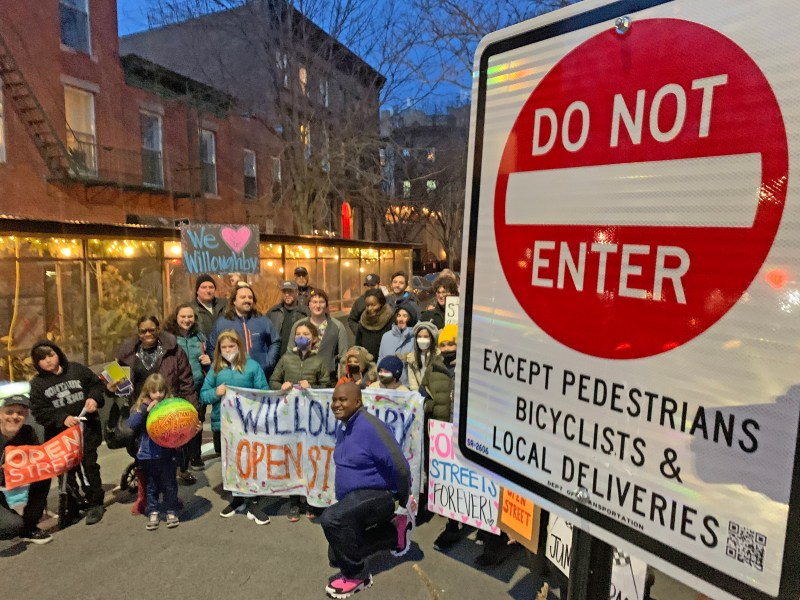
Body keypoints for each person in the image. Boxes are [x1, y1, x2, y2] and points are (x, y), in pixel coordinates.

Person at [319, 382, 415, 599]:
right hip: (355, 501)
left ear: (358, 402)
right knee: (336, 555)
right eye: (334, 399)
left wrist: (402, 500)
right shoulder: (343, 425)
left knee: (332, 519)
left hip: (380, 496)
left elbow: (400, 466)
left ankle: (358, 576)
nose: (336, 404)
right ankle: (394, 534)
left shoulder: (371, 427)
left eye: (342, 400)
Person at [115, 316, 197, 515]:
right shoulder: (127, 353)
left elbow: (186, 381)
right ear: (138, 332)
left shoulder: (174, 350)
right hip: (140, 408)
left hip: (168, 409)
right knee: (142, 455)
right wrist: (112, 387)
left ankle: (170, 496)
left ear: (158, 329)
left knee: (168, 454)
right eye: (143, 331)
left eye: (151, 330)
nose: (147, 334)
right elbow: (117, 382)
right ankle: (145, 497)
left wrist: (192, 411)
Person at [29, 341, 106, 525]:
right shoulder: (38, 384)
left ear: (58, 353)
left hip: (85, 429)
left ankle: (95, 501)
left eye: (50, 355)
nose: (47, 360)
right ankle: (72, 505)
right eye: (42, 358)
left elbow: (95, 385)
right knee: (66, 472)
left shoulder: (77, 370)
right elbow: (39, 411)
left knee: (89, 465)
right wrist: (62, 418)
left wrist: (93, 399)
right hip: (61, 436)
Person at [200, 329, 271, 524]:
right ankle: (237, 498)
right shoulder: (215, 369)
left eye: (232, 346)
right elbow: (203, 395)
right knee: (228, 463)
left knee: (248, 462)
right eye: (224, 347)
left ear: (239, 346)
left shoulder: (253, 367)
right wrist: (216, 392)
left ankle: (251, 499)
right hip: (222, 426)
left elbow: (263, 392)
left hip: (247, 425)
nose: (228, 349)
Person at [269, 321, 330, 521]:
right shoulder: (286, 358)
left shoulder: (320, 360)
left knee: (311, 458)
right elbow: (273, 381)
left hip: (312, 419)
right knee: (294, 457)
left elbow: (327, 385)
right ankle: (294, 501)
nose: (301, 336)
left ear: (313, 339)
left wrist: (312, 386)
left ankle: (312, 500)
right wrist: (282, 385)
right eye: (298, 333)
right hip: (290, 418)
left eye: (305, 333)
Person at [128, 374, 186, 530]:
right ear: (148, 392)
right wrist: (146, 410)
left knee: (170, 484)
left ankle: (171, 510)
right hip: (149, 453)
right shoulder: (142, 406)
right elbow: (132, 424)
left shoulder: (170, 405)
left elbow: (181, 424)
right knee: (152, 485)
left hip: (168, 453)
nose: (158, 395)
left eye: (161, 391)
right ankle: (153, 510)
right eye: (154, 391)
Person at [165, 303, 211, 476]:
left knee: (197, 421)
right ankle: (181, 459)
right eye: (183, 316)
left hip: (197, 385)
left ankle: (196, 456)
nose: (186, 320)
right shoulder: (168, 338)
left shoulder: (199, 337)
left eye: (190, 316)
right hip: (176, 387)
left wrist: (208, 359)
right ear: (176, 317)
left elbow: (210, 355)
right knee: (179, 424)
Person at [0, 394, 53, 544]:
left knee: (43, 475)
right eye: (9, 412)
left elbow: (37, 461)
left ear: (26, 415)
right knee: (10, 527)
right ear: (0, 414)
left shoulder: (28, 432)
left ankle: (29, 528)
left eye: (20, 413)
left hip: (11, 476)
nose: (14, 417)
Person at [208, 282, 281, 379]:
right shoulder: (222, 323)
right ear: (234, 301)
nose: (247, 300)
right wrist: (222, 366)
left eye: (250, 297)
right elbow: (212, 347)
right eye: (243, 297)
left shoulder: (263, 321)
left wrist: (269, 362)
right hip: (233, 377)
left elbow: (275, 341)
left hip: (260, 375)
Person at [287, 288, 349, 380]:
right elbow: (290, 352)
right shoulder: (299, 325)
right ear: (308, 304)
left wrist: (343, 378)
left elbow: (344, 356)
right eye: (314, 302)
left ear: (326, 305)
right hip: (303, 377)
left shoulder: (337, 326)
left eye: (321, 302)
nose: (318, 305)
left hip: (328, 378)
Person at [377, 302, 419, 385]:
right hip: (387, 385)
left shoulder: (416, 337)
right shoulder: (386, 336)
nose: (400, 319)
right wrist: (380, 381)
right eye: (399, 315)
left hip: (409, 387)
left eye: (405, 316)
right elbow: (380, 360)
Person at [267, 280, 310, 356]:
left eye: (290, 291)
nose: (287, 294)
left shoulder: (305, 312)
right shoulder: (273, 312)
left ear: (297, 293)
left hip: (297, 358)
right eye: (284, 292)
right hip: (277, 358)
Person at [355, 288, 393, 361]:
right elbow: (358, 345)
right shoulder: (363, 321)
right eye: (367, 305)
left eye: (373, 305)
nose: (369, 308)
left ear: (381, 304)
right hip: (367, 363)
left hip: (385, 363)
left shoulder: (391, 319)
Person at [404, 322, 438, 392]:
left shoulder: (438, 356)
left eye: (426, 337)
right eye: (419, 336)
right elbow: (412, 382)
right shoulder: (411, 358)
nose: (422, 339)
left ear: (432, 338)